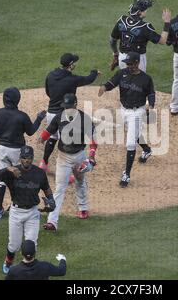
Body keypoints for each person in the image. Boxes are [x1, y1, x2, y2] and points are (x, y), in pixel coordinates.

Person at [0, 145, 55, 274]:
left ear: (32, 158)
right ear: (20, 158)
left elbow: (46, 189)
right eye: (24, 158)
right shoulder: (12, 172)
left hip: (32, 212)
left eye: (29, 158)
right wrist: (7, 169)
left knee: (32, 244)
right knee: (14, 245)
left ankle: (29, 268)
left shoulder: (39, 173)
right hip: (16, 212)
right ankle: (8, 261)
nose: (27, 161)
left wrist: (51, 200)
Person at [40, 93, 97, 231]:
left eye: (69, 107)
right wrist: (43, 137)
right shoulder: (59, 117)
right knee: (59, 188)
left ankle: (83, 208)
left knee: (80, 181)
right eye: (65, 107)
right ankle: (52, 221)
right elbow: (47, 133)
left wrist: (91, 156)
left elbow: (93, 141)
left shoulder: (85, 119)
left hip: (79, 156)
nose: (67, 109)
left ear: (76, 104)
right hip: (63, 158)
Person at [40, 53, 100, 184]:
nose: (75, 65)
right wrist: (95, 72)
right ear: (70, 65)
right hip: (64, 116)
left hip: (51, 113)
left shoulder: (50, 75)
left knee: (53, 137)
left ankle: (43, 163)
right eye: (74, 63)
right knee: (70, 145)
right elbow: (88, 79)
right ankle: (71, 174)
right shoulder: (72, 79)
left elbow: (48, 92)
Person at [99, 52, 155, 188]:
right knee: (133, 133)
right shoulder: (121, 73)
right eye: (128, 63)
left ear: (137, 63)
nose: (129, 66)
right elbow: (112, 83)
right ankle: (147, 149)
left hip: (137, 112)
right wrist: (104, 87)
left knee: (130, 143)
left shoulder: (146, 79)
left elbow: (151, 93)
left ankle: (126, 175)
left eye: (131, 63)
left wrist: (150, 105)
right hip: (123, 110)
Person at [0, 87, 47, 218]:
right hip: (17, 151)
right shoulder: (21, 116)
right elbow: (31, 131)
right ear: (17, 100)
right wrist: (39, 118)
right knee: (19, 176)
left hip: (2, 148)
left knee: (2, 176)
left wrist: (3, 140)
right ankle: (15, 204)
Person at [109, 0, 171, 72]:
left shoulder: (121, 20)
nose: (146, 11)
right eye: (145, 10)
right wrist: (167, 22)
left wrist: (115, 54)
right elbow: (162, 41)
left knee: (125, 80)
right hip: (137, 61)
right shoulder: (145, 27)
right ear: (139, 13)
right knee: (139, 82)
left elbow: (112, 41)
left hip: (122, 58)